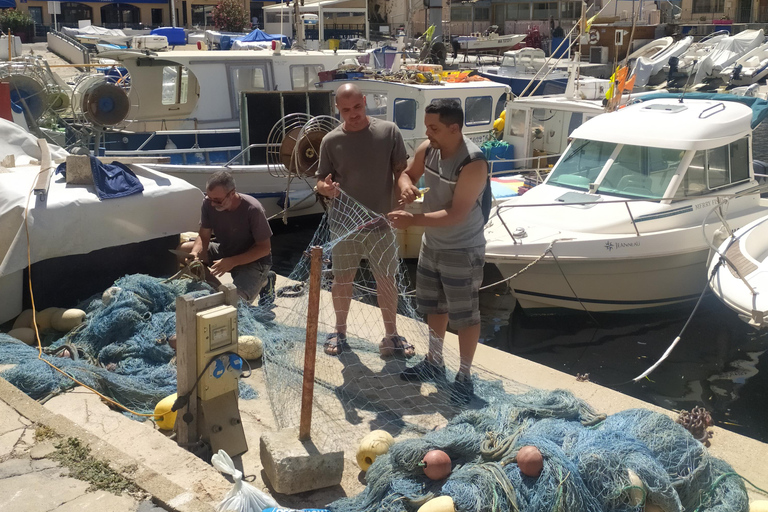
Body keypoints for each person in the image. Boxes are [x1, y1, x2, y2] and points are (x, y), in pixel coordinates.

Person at [387, 99, 488, 405]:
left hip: (463, 248)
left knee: (466, 316)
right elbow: (407, 173)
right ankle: (434, 362)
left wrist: (412, 220)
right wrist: (405, 185)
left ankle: (465, 376)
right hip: (432, 244)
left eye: (434, 127)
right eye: (426, 126)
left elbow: (457, 213)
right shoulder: (427, 149)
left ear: (454, 128)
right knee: (435, 307)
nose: (427, 133)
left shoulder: (473, 163)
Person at [315, 83, 413, 358]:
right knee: (342, 279)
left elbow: (401, 171)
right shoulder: (330, 141)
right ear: (338, 110)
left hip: (381, 223)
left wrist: (404, 190)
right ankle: (340, 331)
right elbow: (321, 180)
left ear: (365, 102)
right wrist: (325, 188)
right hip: (344, 225)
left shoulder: (389, 131)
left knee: (386, 280)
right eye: (346, 110)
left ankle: (391, 335)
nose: (353, 114)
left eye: (357, 107)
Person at [179, 170, 275, 303]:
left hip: (254, 261)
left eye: (217, 200)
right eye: (209, 198)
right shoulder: (208, 203)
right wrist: (196, 253)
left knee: (236, 302)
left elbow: (264, 249)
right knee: (183, 250)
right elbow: (204, 235)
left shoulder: (253, 209)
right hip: (225, 250)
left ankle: (265, 280)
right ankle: (218, 290)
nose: (212, 204)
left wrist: (232, 261)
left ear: (232, 193)